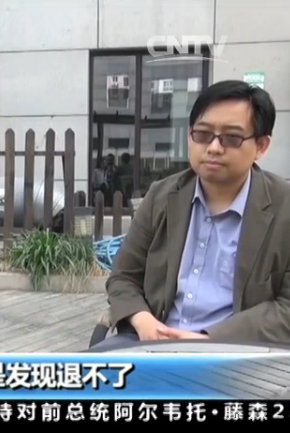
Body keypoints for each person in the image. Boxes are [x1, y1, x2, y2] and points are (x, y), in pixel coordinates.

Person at [93, 80, 290, 349]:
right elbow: (123, 277)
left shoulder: (282, 208)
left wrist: (210, 339)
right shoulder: (161, 196)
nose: (214, 147)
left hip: (237, 351)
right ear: (190, 136)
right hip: (150, 341)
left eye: (231, 138)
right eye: (203, 134)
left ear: (261, 146)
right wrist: (142, 319)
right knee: (73, 373)